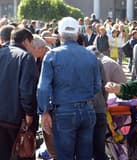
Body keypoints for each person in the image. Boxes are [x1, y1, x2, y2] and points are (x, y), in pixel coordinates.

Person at [37, 17, 102, 159]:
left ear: (59, 34)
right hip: (87, 109)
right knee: (85, 156)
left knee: (64, 156)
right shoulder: (90, 55)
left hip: (64, 111)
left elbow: (43, 88)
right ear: (78, 33)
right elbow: (97, 86)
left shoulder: (52, 55)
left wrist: (44, 111)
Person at [0, 28, 37, 160]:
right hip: (16, 118)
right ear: (26, 41)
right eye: (32, 43)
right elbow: (26, 89)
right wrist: (29, 113)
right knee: (22, 153)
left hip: (4, 117)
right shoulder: (26, 57)